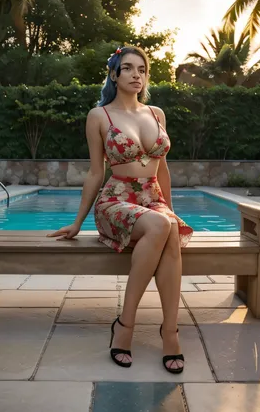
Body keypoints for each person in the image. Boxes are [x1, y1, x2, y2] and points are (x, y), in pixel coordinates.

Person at [47, 46, 193, 374]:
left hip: (152, 200)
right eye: (128, 68)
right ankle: (126, 325)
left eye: (142, 69)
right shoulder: (100, 116)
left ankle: (169, 331)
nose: (136, 74)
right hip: (115, 200)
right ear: (114, 74)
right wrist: (77, 222)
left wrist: (170, 209)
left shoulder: (156, 114)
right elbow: (96, 172)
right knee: (159, 226)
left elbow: (163, 169)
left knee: (165, 226)